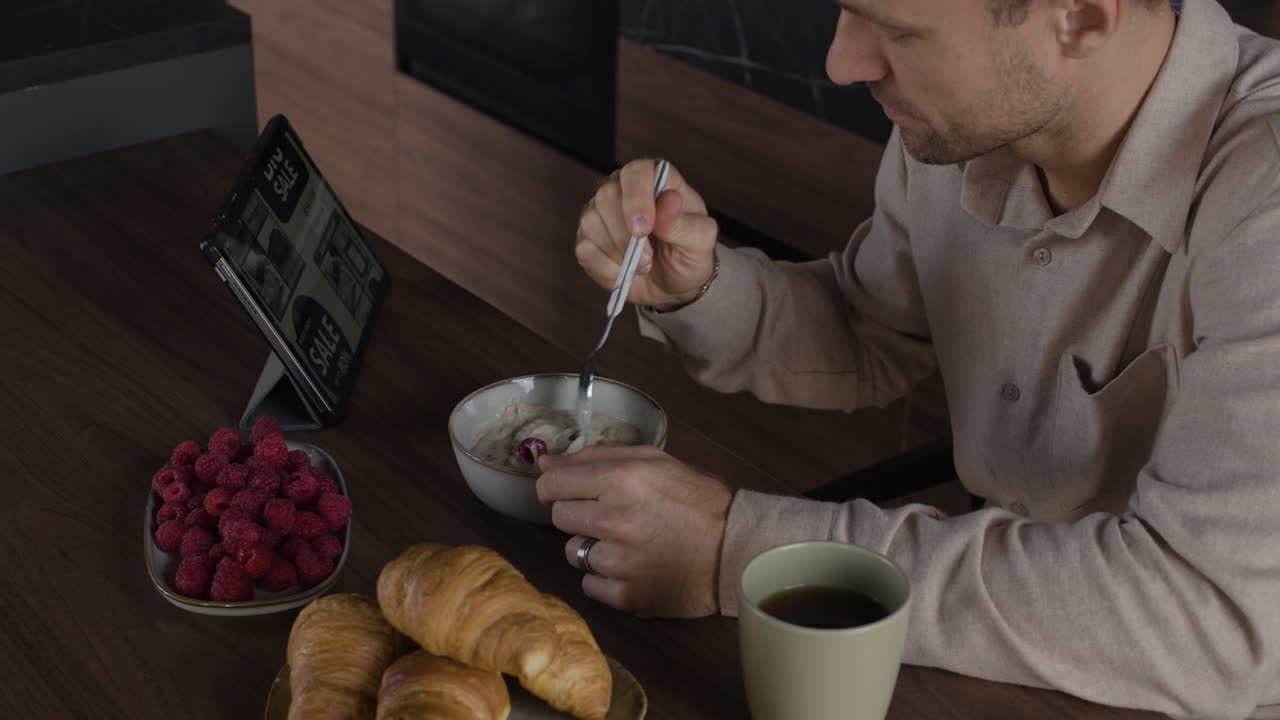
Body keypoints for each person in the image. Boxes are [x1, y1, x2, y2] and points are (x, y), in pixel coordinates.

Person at [536, 0, 1280, 717]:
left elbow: (1202, 617)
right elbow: (869, 331)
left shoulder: (1262, 196)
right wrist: (694, 288)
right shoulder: (974, 116)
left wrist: (741, 550)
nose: (841, 63)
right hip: (994, 660)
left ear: (1081, 17)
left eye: (900, 31)